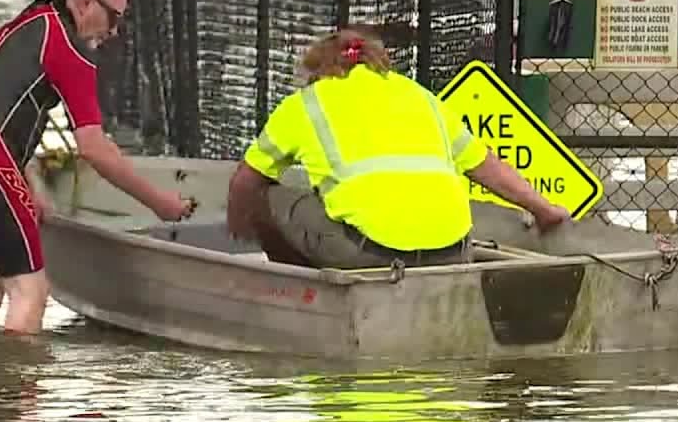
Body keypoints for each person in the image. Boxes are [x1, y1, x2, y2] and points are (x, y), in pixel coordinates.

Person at [0, 0, 196, 335]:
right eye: (114, 17)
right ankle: (17, 374)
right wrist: (159, 203)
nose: (114, 31)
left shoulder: (25, 23)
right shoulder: (69, 48)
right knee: (30, 293)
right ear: (86, 3)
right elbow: (93, 148)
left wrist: (25, 185)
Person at [226, 23, 573, 270]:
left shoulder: (307, 103)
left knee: (264, 197)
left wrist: (239, 223)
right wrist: (543, 210)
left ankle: (302, 290)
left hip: (368, 255)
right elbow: (487, 168)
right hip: (452, 254)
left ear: (318, 69)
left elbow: (246, 180)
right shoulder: (421, 97)